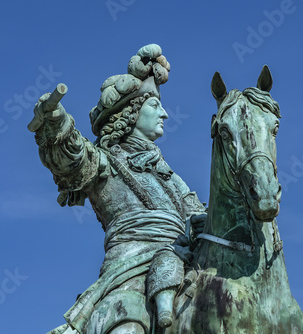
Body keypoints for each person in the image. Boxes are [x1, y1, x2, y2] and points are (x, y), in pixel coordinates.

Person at [30, 44, 206, 334]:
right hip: (129, 272)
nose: (165, 114)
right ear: (131, 113)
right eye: (155, 106)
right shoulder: (105, 161)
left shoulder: (169, 175)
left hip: (184, 263)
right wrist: (57, 123)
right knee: (128, 324)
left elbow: (198, 216)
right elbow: (71, 159)